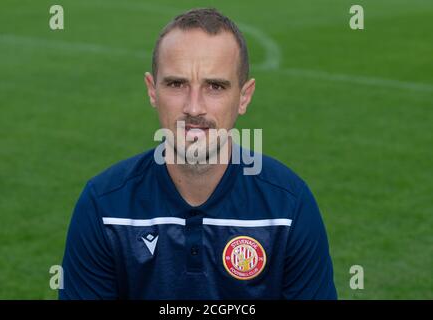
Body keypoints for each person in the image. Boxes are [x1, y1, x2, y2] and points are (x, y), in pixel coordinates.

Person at [59, 7, 337, 300]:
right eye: (177, 84)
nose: (194, 108)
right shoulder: (104, 206)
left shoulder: (288, 207)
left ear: (244, 96)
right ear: (152, 91)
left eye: (215, 86)